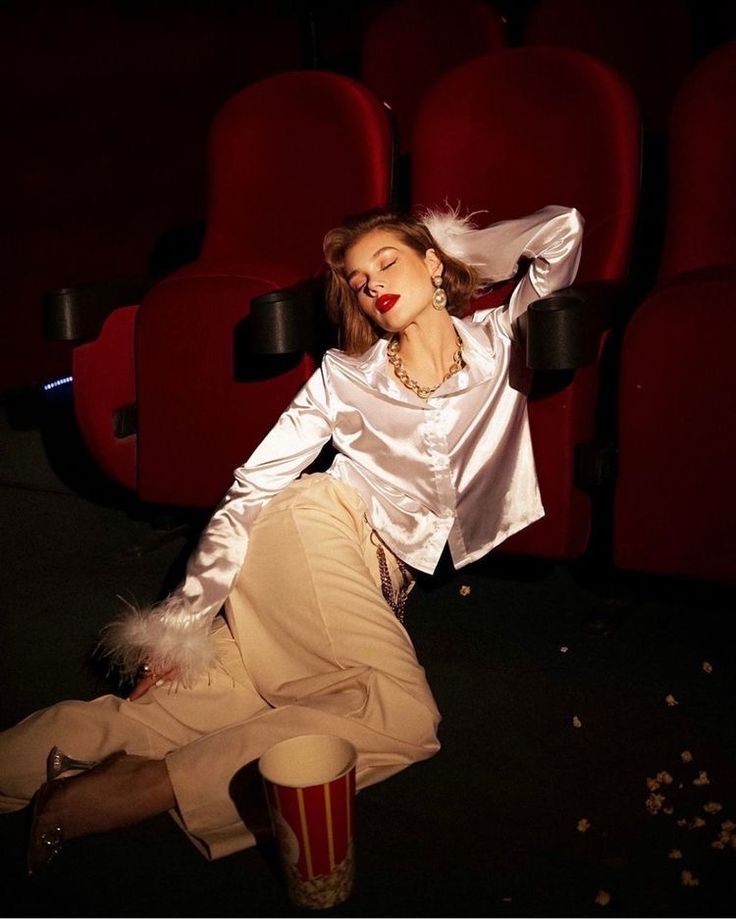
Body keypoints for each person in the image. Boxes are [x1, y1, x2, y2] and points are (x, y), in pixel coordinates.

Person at [0, 202, 583, 875]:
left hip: (341, 582)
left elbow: (560, 230)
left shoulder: (499, 337)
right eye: (359, 280)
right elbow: (255, 488)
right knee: (402, 714)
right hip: (312, 530)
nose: (372, 284)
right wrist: (184, 619)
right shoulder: (346, 377)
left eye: (387, 262)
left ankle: (55, 764)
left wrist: (452, 247)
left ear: (429, 263)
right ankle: (142, 788)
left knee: (188, 712)